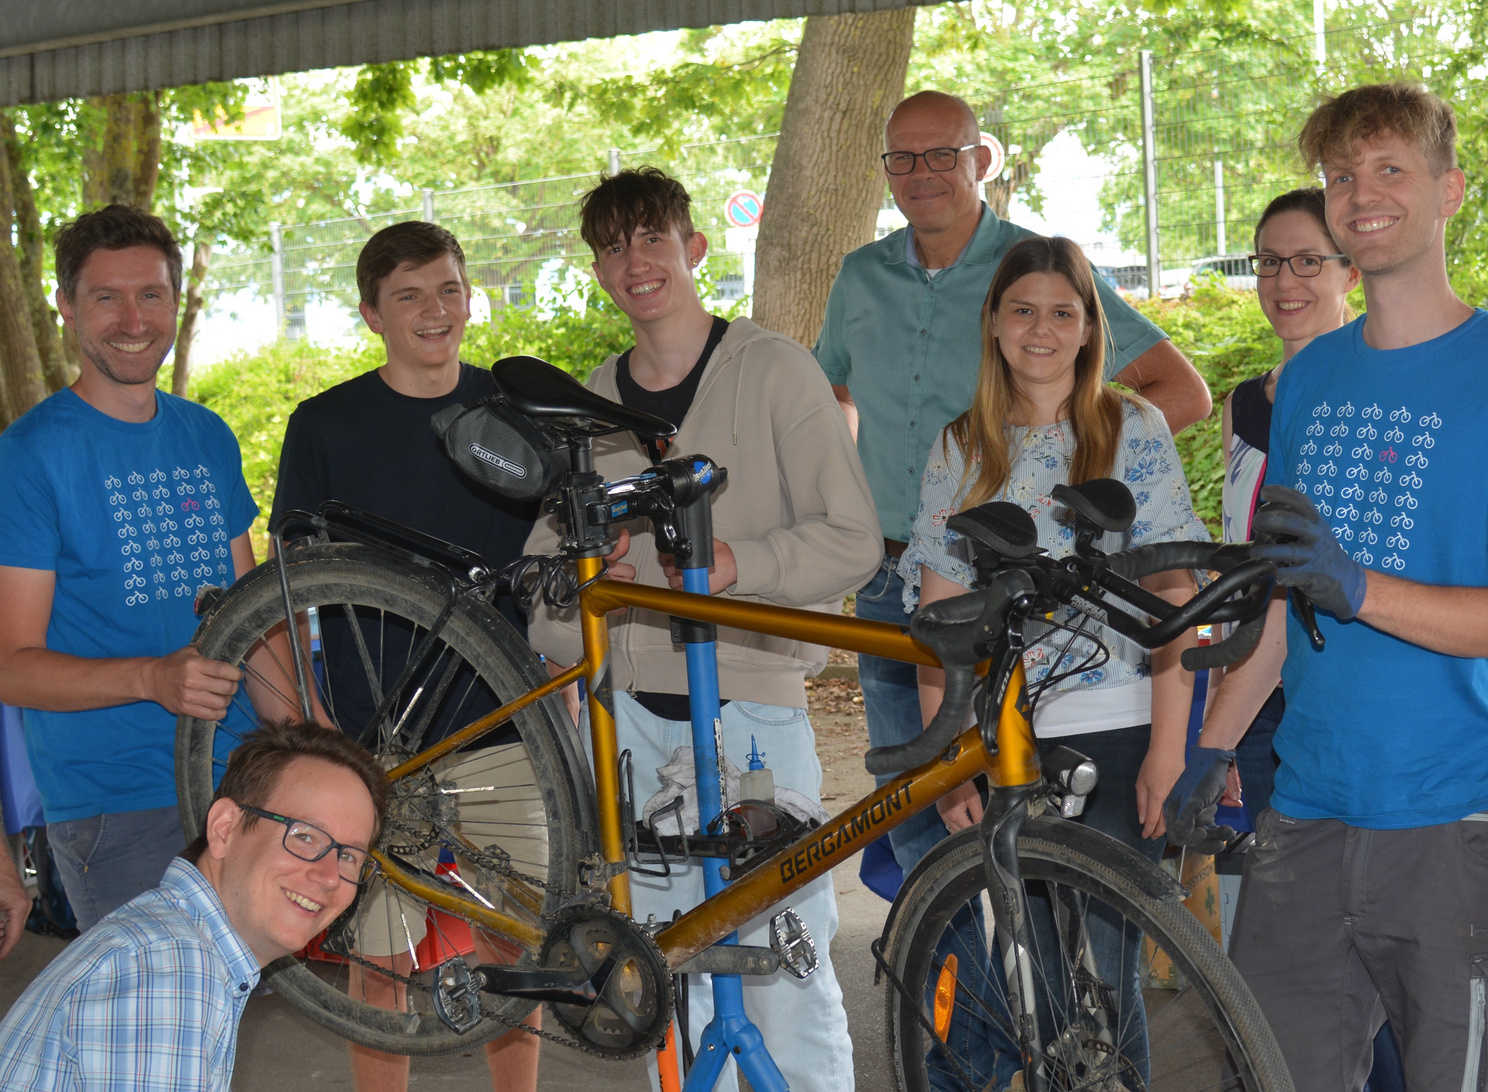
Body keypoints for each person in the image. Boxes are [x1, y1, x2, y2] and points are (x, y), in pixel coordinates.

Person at [1169, 83, 1488, 1091]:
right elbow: (1283, 597)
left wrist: (1359, 587)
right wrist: (1210, 747)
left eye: (1389, 169)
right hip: (1305, 822)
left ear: (1448, 192)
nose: (1360, 194)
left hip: (1459, 825)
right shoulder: (1306, 380)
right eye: (1341, 175)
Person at [528, 166, 881, 1092]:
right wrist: (595, 595)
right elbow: (545, 598)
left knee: (785, 972)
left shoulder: (772, 370)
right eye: (612, 247)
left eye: (652, 239)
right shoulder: (590, 405)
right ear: (599, 271)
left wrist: (735, 570)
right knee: (667, 974)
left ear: (693, 249)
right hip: (635, 735)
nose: (634, 262)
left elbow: (853, 541)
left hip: (756, 720)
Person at [816, 89, 1213, 881]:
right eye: (903, 157)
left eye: (942, 154)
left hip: (1057, 613)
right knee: (923, 815)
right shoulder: (860, 278)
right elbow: (832, 397)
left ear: (982, 160)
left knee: (1065, 880)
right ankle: (943, 990)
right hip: (908, 578)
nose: (921, 172)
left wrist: (1071, 473)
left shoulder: (1037, 265)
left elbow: (1185, 394)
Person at [902, 234, 1208, 1087]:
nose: (1041, 329)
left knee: (1110, 983)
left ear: (1089, 330)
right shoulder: (961, 446)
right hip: (1007, 744)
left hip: (1120, 731)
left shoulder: (1130, 429)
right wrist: (948, 757)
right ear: (994, 324)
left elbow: (1175, 592)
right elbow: (937, 621)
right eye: (1023, 309)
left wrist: (1169, 747)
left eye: (1062, 313)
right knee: (1028, 981)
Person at [269, 220, 545, 1091]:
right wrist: (310, 716)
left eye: (449, 290)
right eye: (410, 296)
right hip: (372, 734)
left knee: (518, 940)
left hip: (500, 722)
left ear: (470, 295)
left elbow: (550, 566)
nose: (436, 311)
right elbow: (287, 584)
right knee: (380, 962)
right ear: (371, 314)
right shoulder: (325, 425)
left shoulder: (512, 412)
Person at [0, 205, 281, 932]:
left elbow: (255, 618)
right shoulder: (29, 456)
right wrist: (151, 678)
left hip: (241, 779)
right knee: (145, 1036)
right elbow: (12, 666)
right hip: (117, 803)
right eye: (106, 297)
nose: (133, 318)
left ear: (176, 303)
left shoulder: (206, 433)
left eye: (151, 295)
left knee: (231, 1021)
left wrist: (307, 745)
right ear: (66, 307)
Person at [0, 720, 387, 1091]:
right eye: (305, 836)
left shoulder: (175, 941)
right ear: (224, 828)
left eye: (350, 856)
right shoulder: (169, 968)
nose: (330, 876)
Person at [1215, 187, 1361, 823]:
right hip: (1251, 688)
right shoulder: (1244, 406)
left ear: (1351, 269)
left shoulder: (1371, 401)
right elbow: (1240, 561)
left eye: (1308, 261)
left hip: (1335, 684)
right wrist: (1221, 704)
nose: (1284, 281)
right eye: (1268, 262)